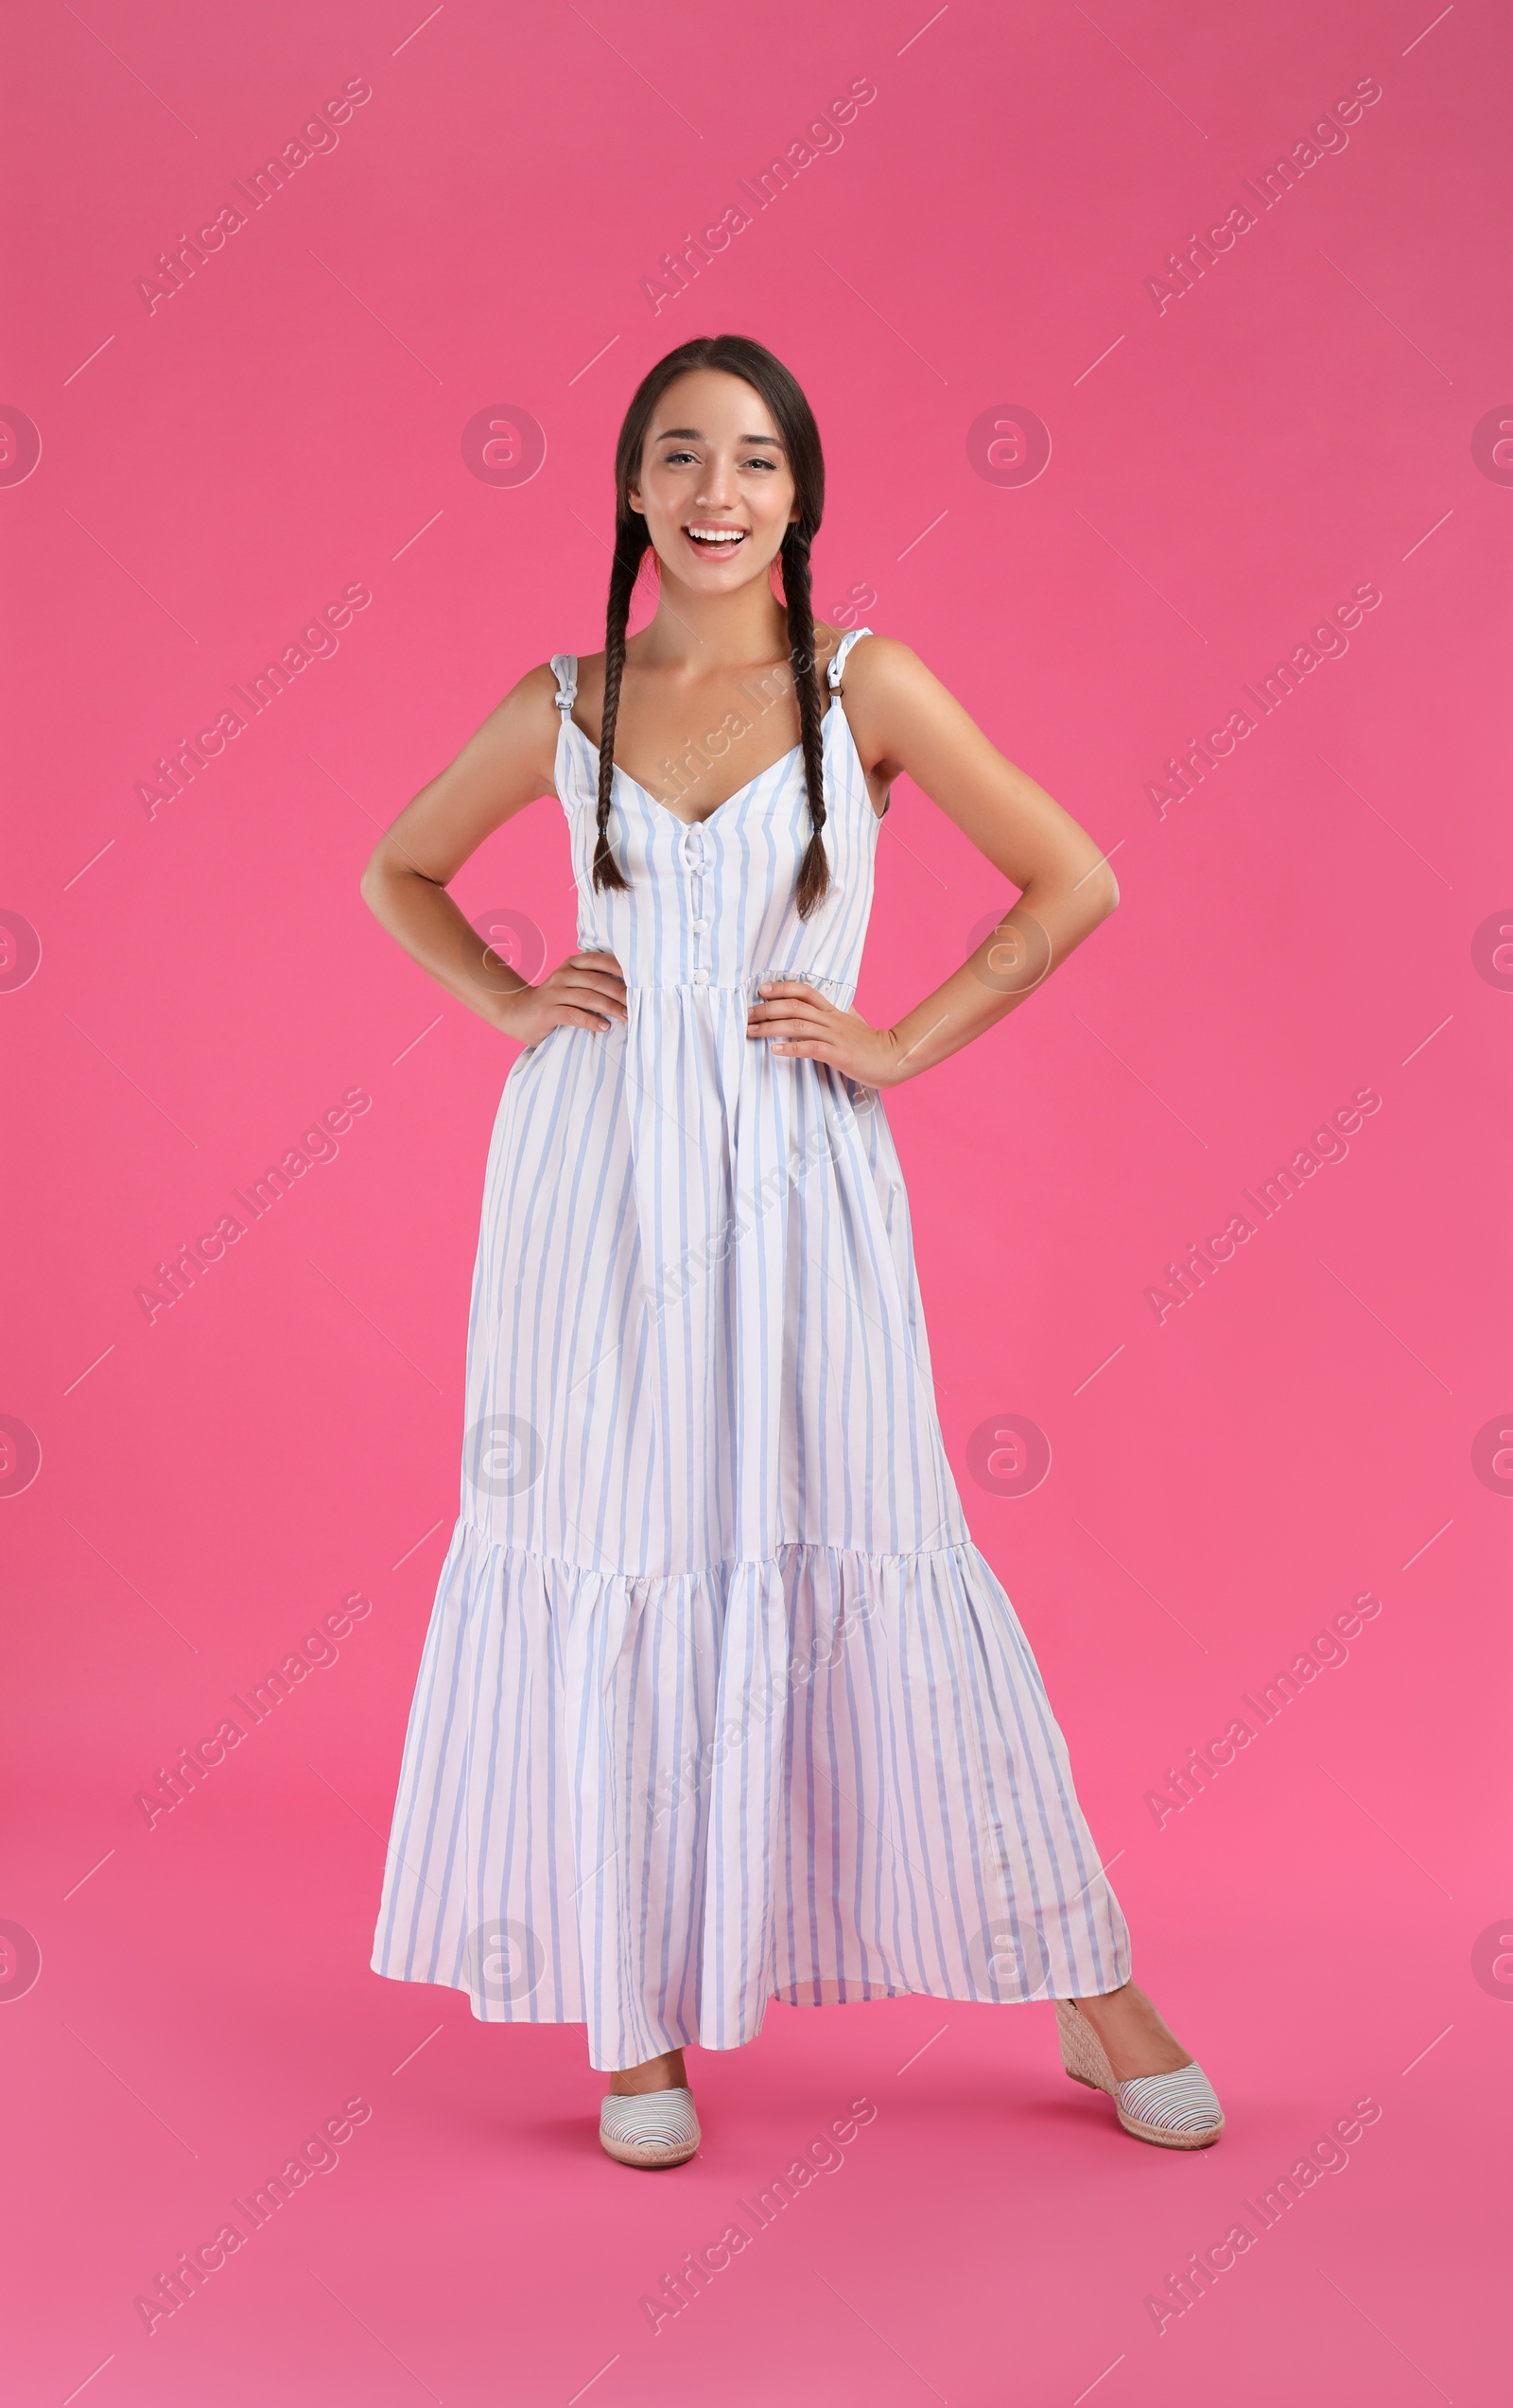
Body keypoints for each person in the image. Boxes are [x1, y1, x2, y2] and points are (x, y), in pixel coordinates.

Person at [362, 333, 1224, 2167]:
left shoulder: (867, 684)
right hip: (588, 1189)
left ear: (799, 494)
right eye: (677, 456)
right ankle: (633, 2017)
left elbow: (1069, 877)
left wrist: (897, 1041)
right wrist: (516, 997)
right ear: (626, 488)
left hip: (798, 1180)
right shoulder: (559, 701)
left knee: (881, 1537)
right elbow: (398, 870)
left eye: (752, 460)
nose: (715, 492)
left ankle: (1085, 1977)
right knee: (612, 1548)